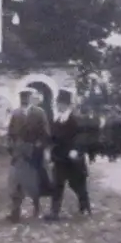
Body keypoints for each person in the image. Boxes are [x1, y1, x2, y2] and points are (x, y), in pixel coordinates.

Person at [6, 89, 51, 222]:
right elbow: (10, 133)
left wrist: (39, 146)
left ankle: (36, 207)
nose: (24, 100)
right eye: (22, 97)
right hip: (19, 153)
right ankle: (15, 212)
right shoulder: (16, 114)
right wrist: (11, 148)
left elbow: (45, 133)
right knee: (16, 182)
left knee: (33, 183)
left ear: (31, 99)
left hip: (33, 153)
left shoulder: (39, 113)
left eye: (26, 97)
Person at [45, 91, 91, 220]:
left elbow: (82, 136)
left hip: (73, 159)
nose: (59, 106)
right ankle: (54, 212)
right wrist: (49, 149)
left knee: (77, 185)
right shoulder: (57, 119)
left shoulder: (75, 119)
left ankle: (85, 207)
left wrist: (76, 149)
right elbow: (53, 138)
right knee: (57, 185)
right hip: (60, 158)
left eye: (61, 104)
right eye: (58, 103)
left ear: (67, 105)